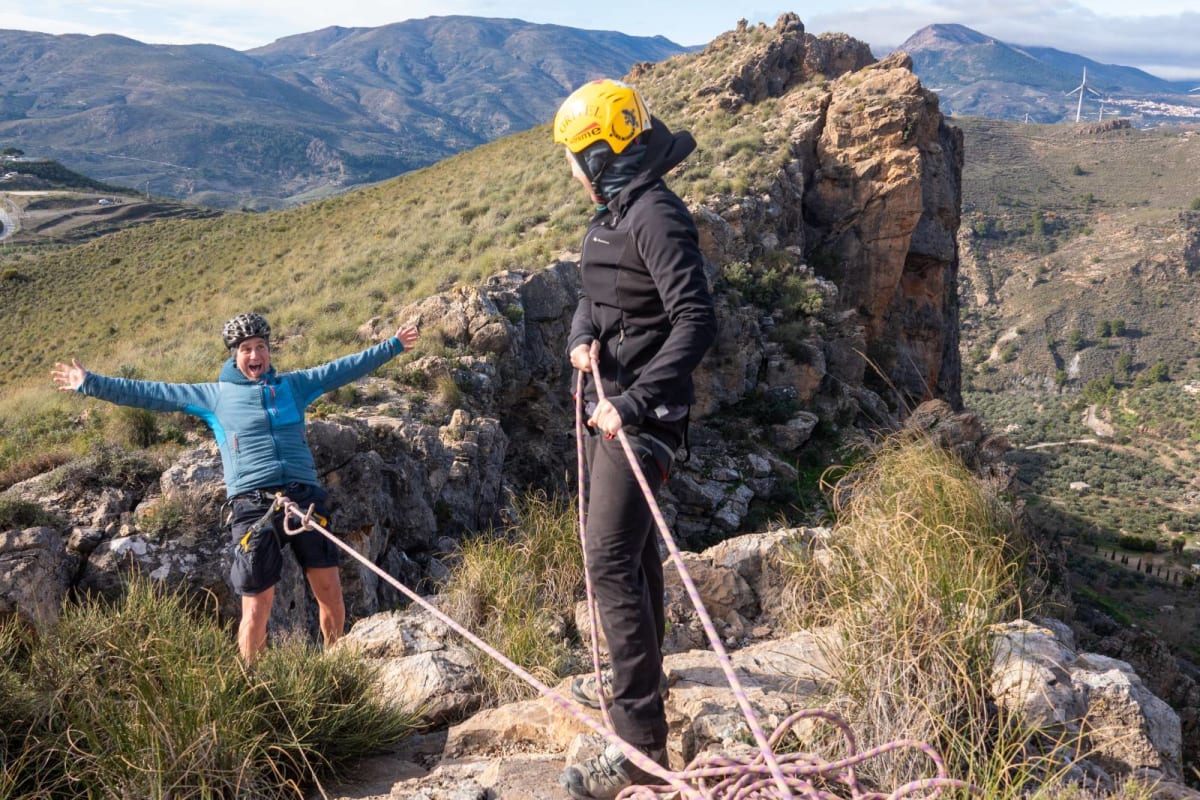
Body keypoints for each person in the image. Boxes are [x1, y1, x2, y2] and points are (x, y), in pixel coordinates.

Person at [51, 313, 419, 663]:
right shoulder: (215, 396)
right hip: (254, 506)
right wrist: (90, 383)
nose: (255, 355)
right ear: (235, 356)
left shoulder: (293, 386)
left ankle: (335, 664)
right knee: (256, 607)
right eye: (246, 349)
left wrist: (394, 345)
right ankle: (252, 684)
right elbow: (152, 393)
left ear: (269, 351)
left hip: (304, 499)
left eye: (261, 346)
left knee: (332, 596)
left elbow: (343, 369)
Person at [553, 79, 717, 800]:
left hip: (641, 420)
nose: (569, 169)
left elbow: (695, 320)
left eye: (572, 156)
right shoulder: (620, 208)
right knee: (632, 555)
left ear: (598, 153)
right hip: (614, 408)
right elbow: (597, 294)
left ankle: (637, 744)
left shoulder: (654, 213)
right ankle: (640, 695)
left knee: (609, 558)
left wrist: (637, 400)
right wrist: (583, 337)